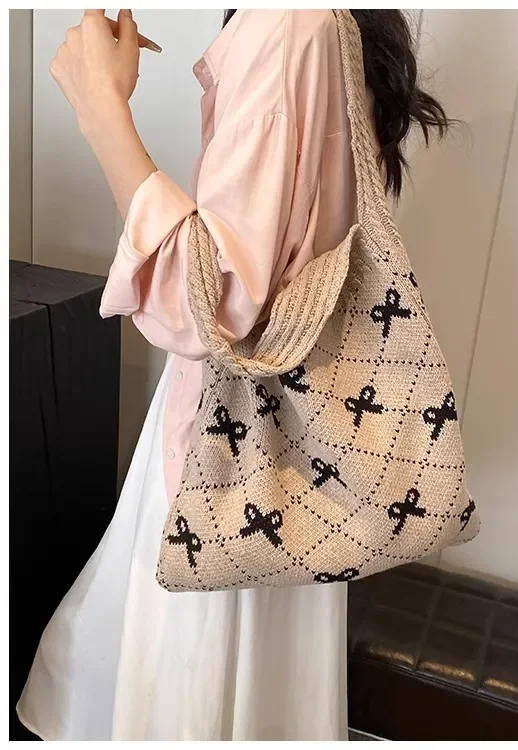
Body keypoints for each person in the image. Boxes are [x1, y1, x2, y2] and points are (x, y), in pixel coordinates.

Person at [17, 9, 449, 741]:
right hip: (303, 454)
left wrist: (102, 109)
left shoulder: (284, 25)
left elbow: (209, 307)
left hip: (232, 453)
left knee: (181, 692)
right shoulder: (323, 24)